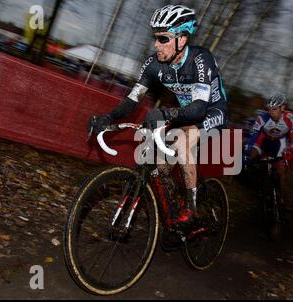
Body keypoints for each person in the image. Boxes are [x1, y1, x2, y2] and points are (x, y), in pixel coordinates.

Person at [88, 5, 228, 227]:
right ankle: (172, 215)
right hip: (184, 112)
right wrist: (109, 117)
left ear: (181, 40)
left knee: (183, 143)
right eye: (155, 38)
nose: (156, 44)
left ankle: (192, 212)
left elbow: (199, 109)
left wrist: (165, 112)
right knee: (160, 166)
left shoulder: (201, 59)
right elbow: (133, 99)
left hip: (211, 110)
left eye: (163, 39)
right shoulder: (153, 64)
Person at [243, 93, 293, 206]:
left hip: (279, 142)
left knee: (280, 170)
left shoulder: (291, 118)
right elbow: (253, 135)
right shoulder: (262, 118)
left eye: (274, 109)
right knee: (251, 156)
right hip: (263, 139)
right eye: (269, 109)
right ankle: (255, 181)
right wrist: (248, 149)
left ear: (282, 108)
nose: (271, 112)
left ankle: (282, 199)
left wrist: (289, 154)